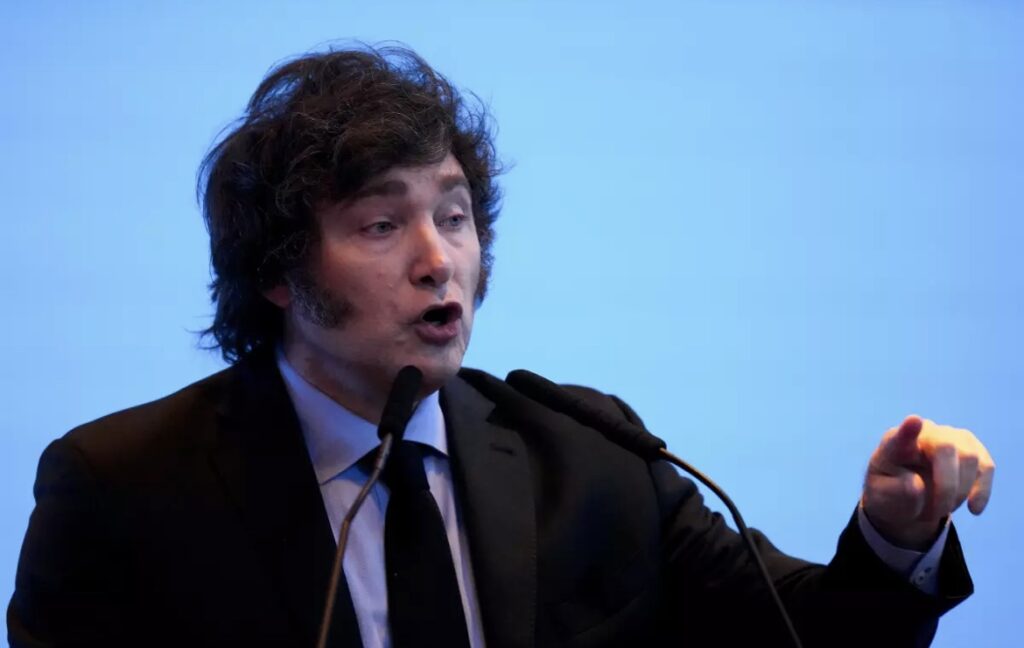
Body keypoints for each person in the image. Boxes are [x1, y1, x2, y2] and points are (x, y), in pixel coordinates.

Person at [8, 44, 995, 648]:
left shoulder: (592, 458)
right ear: (277, 272)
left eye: (455, 215)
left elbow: (807, 637)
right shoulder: (124, 489)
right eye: (381, 225)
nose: (439, 261)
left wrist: (895, 535)